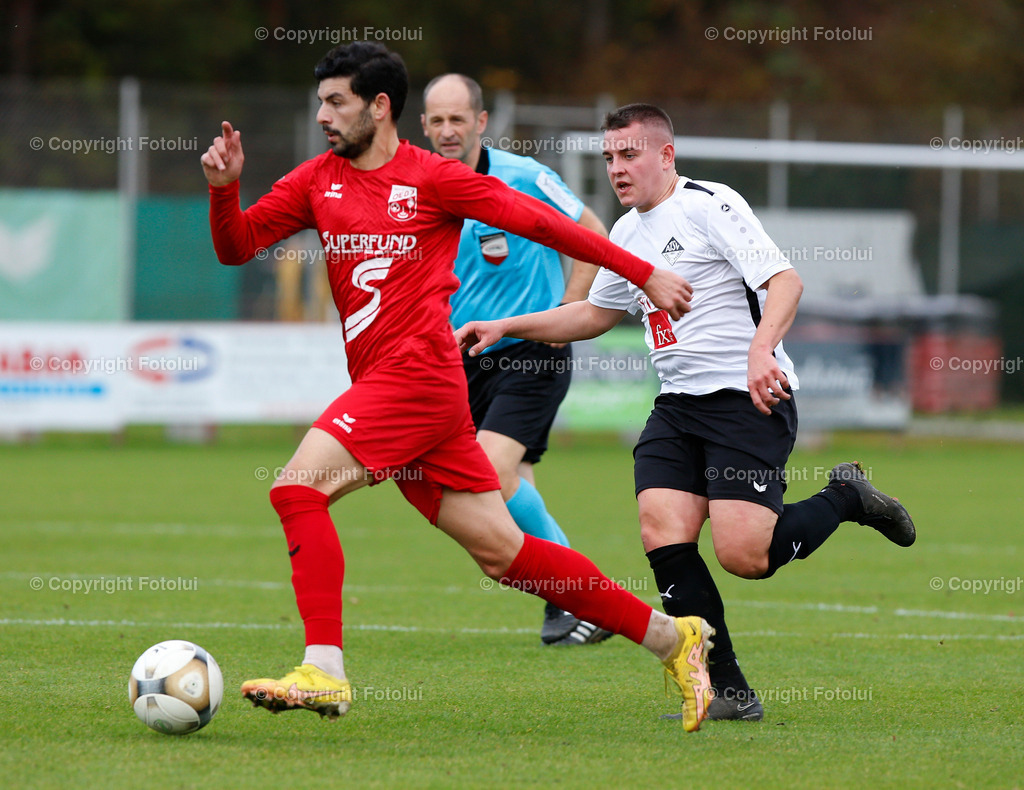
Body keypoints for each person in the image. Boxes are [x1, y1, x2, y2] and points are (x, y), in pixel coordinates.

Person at [201, 44, 716, 733]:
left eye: (336, 102)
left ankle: (323, 668)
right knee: (504, 553)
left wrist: (641, 271)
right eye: (319, 102)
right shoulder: (313, 182)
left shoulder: (433, 178)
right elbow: (236, 246)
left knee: (297, 489)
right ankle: (671, 638)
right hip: (422, 396)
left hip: (414, 380)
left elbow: (543, 222)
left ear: (380, 107)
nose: (322, 115)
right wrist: (223, 189)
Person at [456, 103, 916, 723]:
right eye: (609, 158)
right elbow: (593, 315)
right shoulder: (624, 235)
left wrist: (760, 352)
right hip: (676, 407)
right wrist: (507, 325)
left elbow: (785, 281)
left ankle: (847, 496)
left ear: (665, 155)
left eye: (629, 154)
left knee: (745, 557)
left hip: (745, 401)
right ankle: (727, 688)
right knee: (661, 532)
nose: (617, 169)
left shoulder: (710, 205)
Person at [421, 73, 609, 646]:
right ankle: (575, 600)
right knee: (511, 485)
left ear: (481, 122)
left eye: (459, 119)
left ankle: (583, 600)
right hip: (464, 360)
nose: (448, 130)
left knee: (489, 473)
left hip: (530, 352)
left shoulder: (523, 177)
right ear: (423, 126)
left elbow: (590, 230)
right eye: (437, 120)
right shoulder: (419, 190)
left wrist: (568, 307)